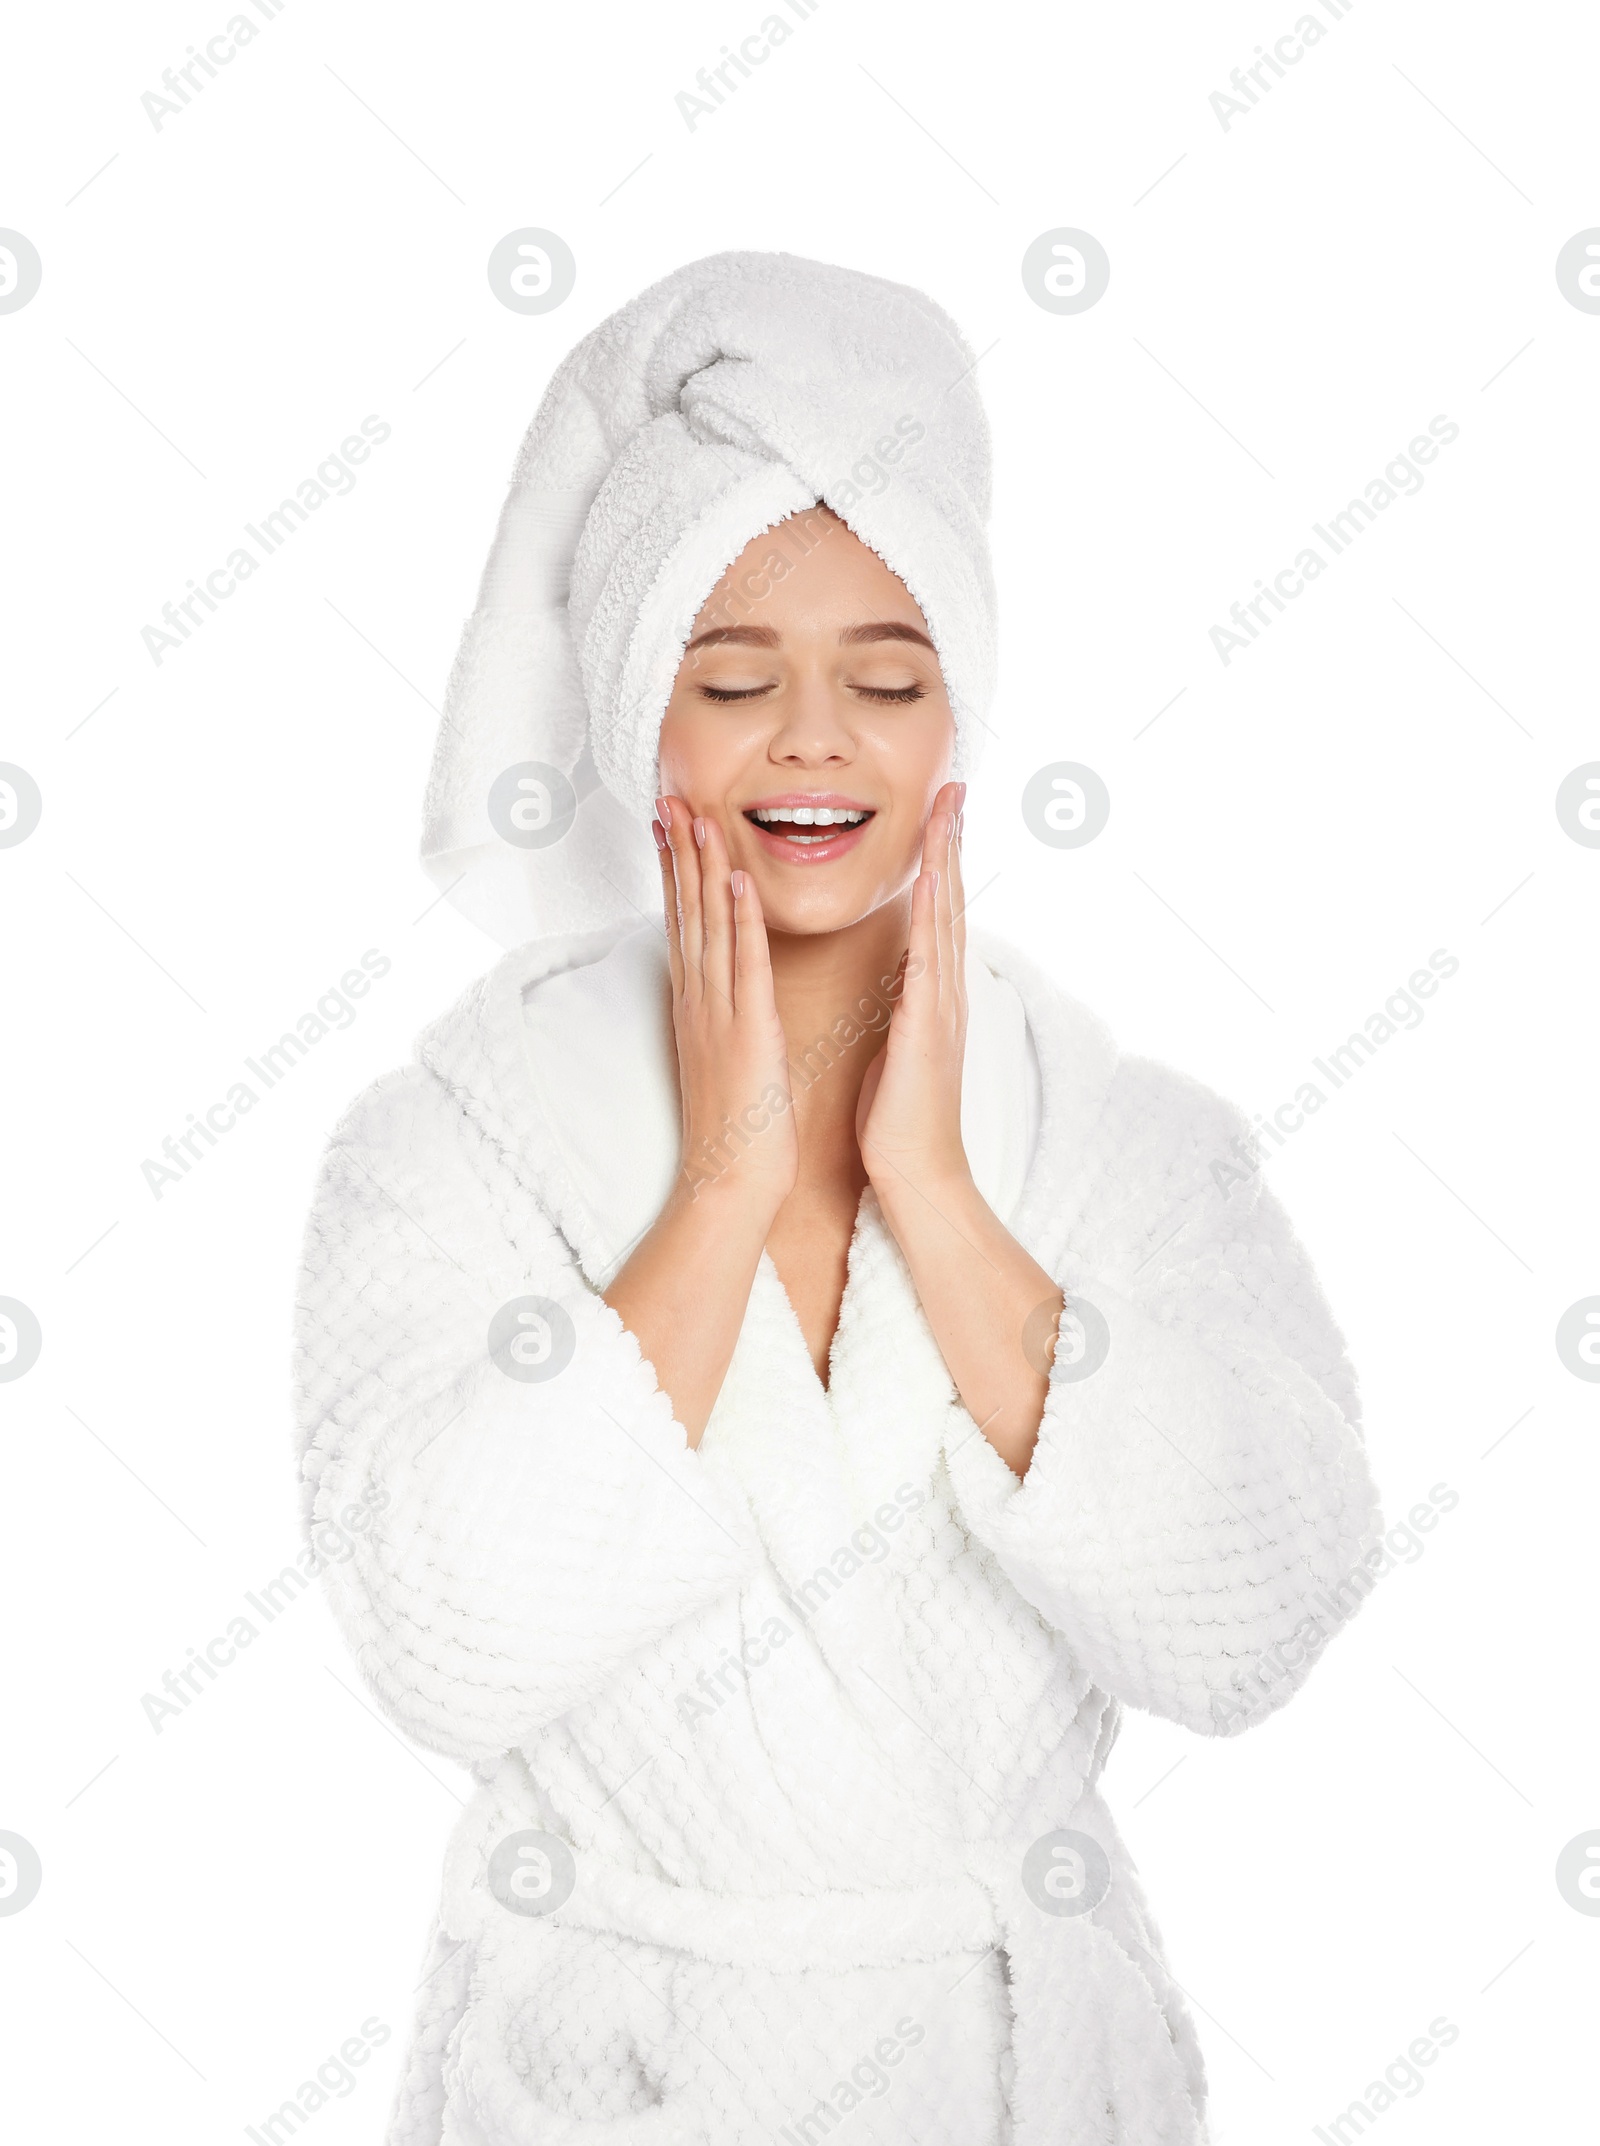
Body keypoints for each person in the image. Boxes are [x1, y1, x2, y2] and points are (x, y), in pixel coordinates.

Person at [294, 252, 1382, 2146]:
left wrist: (942, 1203)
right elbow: (439, 1640)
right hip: (612, 2083)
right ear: (642, 714)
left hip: (1012, 2079)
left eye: (887, 677)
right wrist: (716, 1195)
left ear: (959, 712)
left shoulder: (1118, 1139)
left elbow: (1268, 1611)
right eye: (734, 680)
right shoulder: (450, 1141)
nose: (815, 740)